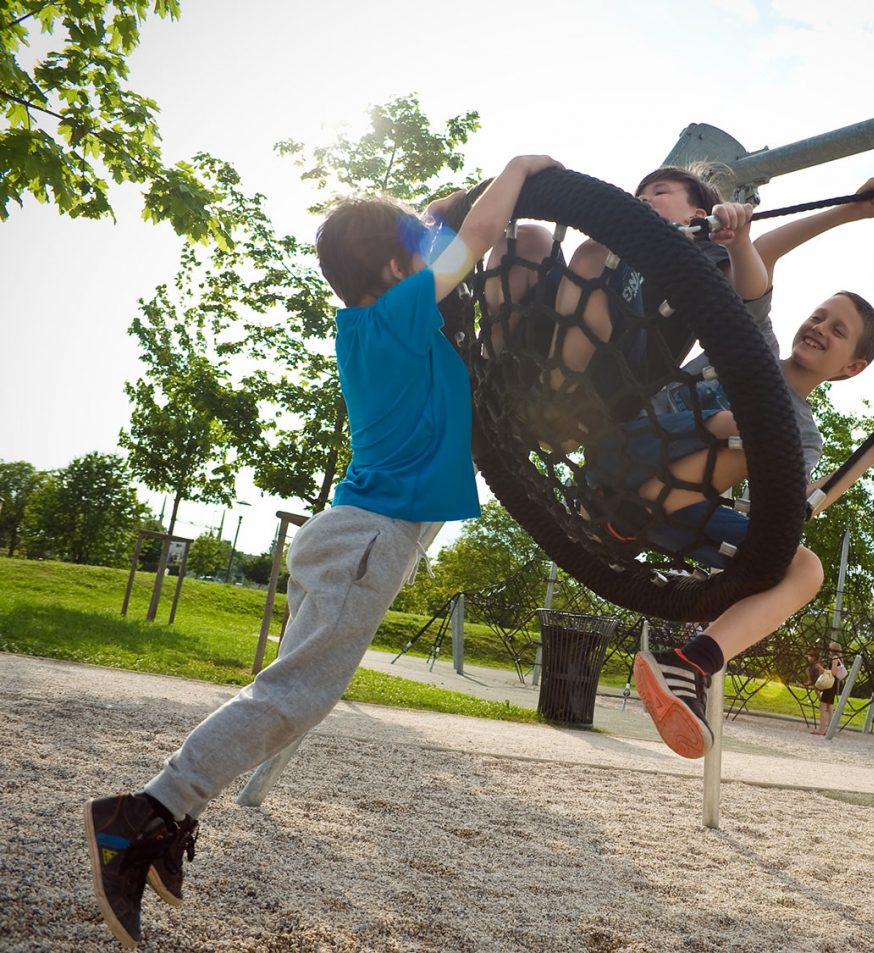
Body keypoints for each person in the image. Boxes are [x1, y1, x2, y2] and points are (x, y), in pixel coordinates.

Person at [83, 153, 561, 949]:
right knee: (293, 694)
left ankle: (170, 818)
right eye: (417, 247)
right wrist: (516, 167)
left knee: (291, 693)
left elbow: (444, 222)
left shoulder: (373, 323)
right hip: (369, 537)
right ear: (392, 266)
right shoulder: (402, 311)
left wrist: (431, 209)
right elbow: (476, 233)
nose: (434, 253)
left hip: (353, 531)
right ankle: (145, 813)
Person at [624, 176, 874, 759]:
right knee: (754, 432)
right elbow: (762, 255)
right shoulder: (751, 339)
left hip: (679, 507)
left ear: (852, 367)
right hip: (635, 454)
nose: (819, 329)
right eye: (819, 315)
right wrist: (849, 210)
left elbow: (800, 506)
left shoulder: (804, 433)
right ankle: (623, 515)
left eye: (837, 330)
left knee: (803, 565)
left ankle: (691, 663)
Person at [482, 163, 767, 430]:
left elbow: (749, 290)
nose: (643, 199)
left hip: (614, 383)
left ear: (696, 217)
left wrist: (739, 243)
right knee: (530, 238)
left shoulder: (702, 256)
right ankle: (488, 371)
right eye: (639, 195)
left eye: (660, 192)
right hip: (542, 350)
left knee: (598, 253)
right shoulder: (617, 252)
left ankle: (556, 395)